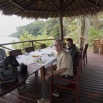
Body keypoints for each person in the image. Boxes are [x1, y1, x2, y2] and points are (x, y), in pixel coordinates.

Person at [37, 39, 73, 103]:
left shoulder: (64, 55)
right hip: (63, 75)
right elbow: (59, 65)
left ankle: (46, 98)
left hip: (66, 78)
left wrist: (51, 73)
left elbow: (63, 69)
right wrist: (52, 67)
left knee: (45, 80)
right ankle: (55, 91)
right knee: (48, 73)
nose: (56, 47)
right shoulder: (60, 53)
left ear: (62, 45)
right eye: (55, 45)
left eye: (58, 45)